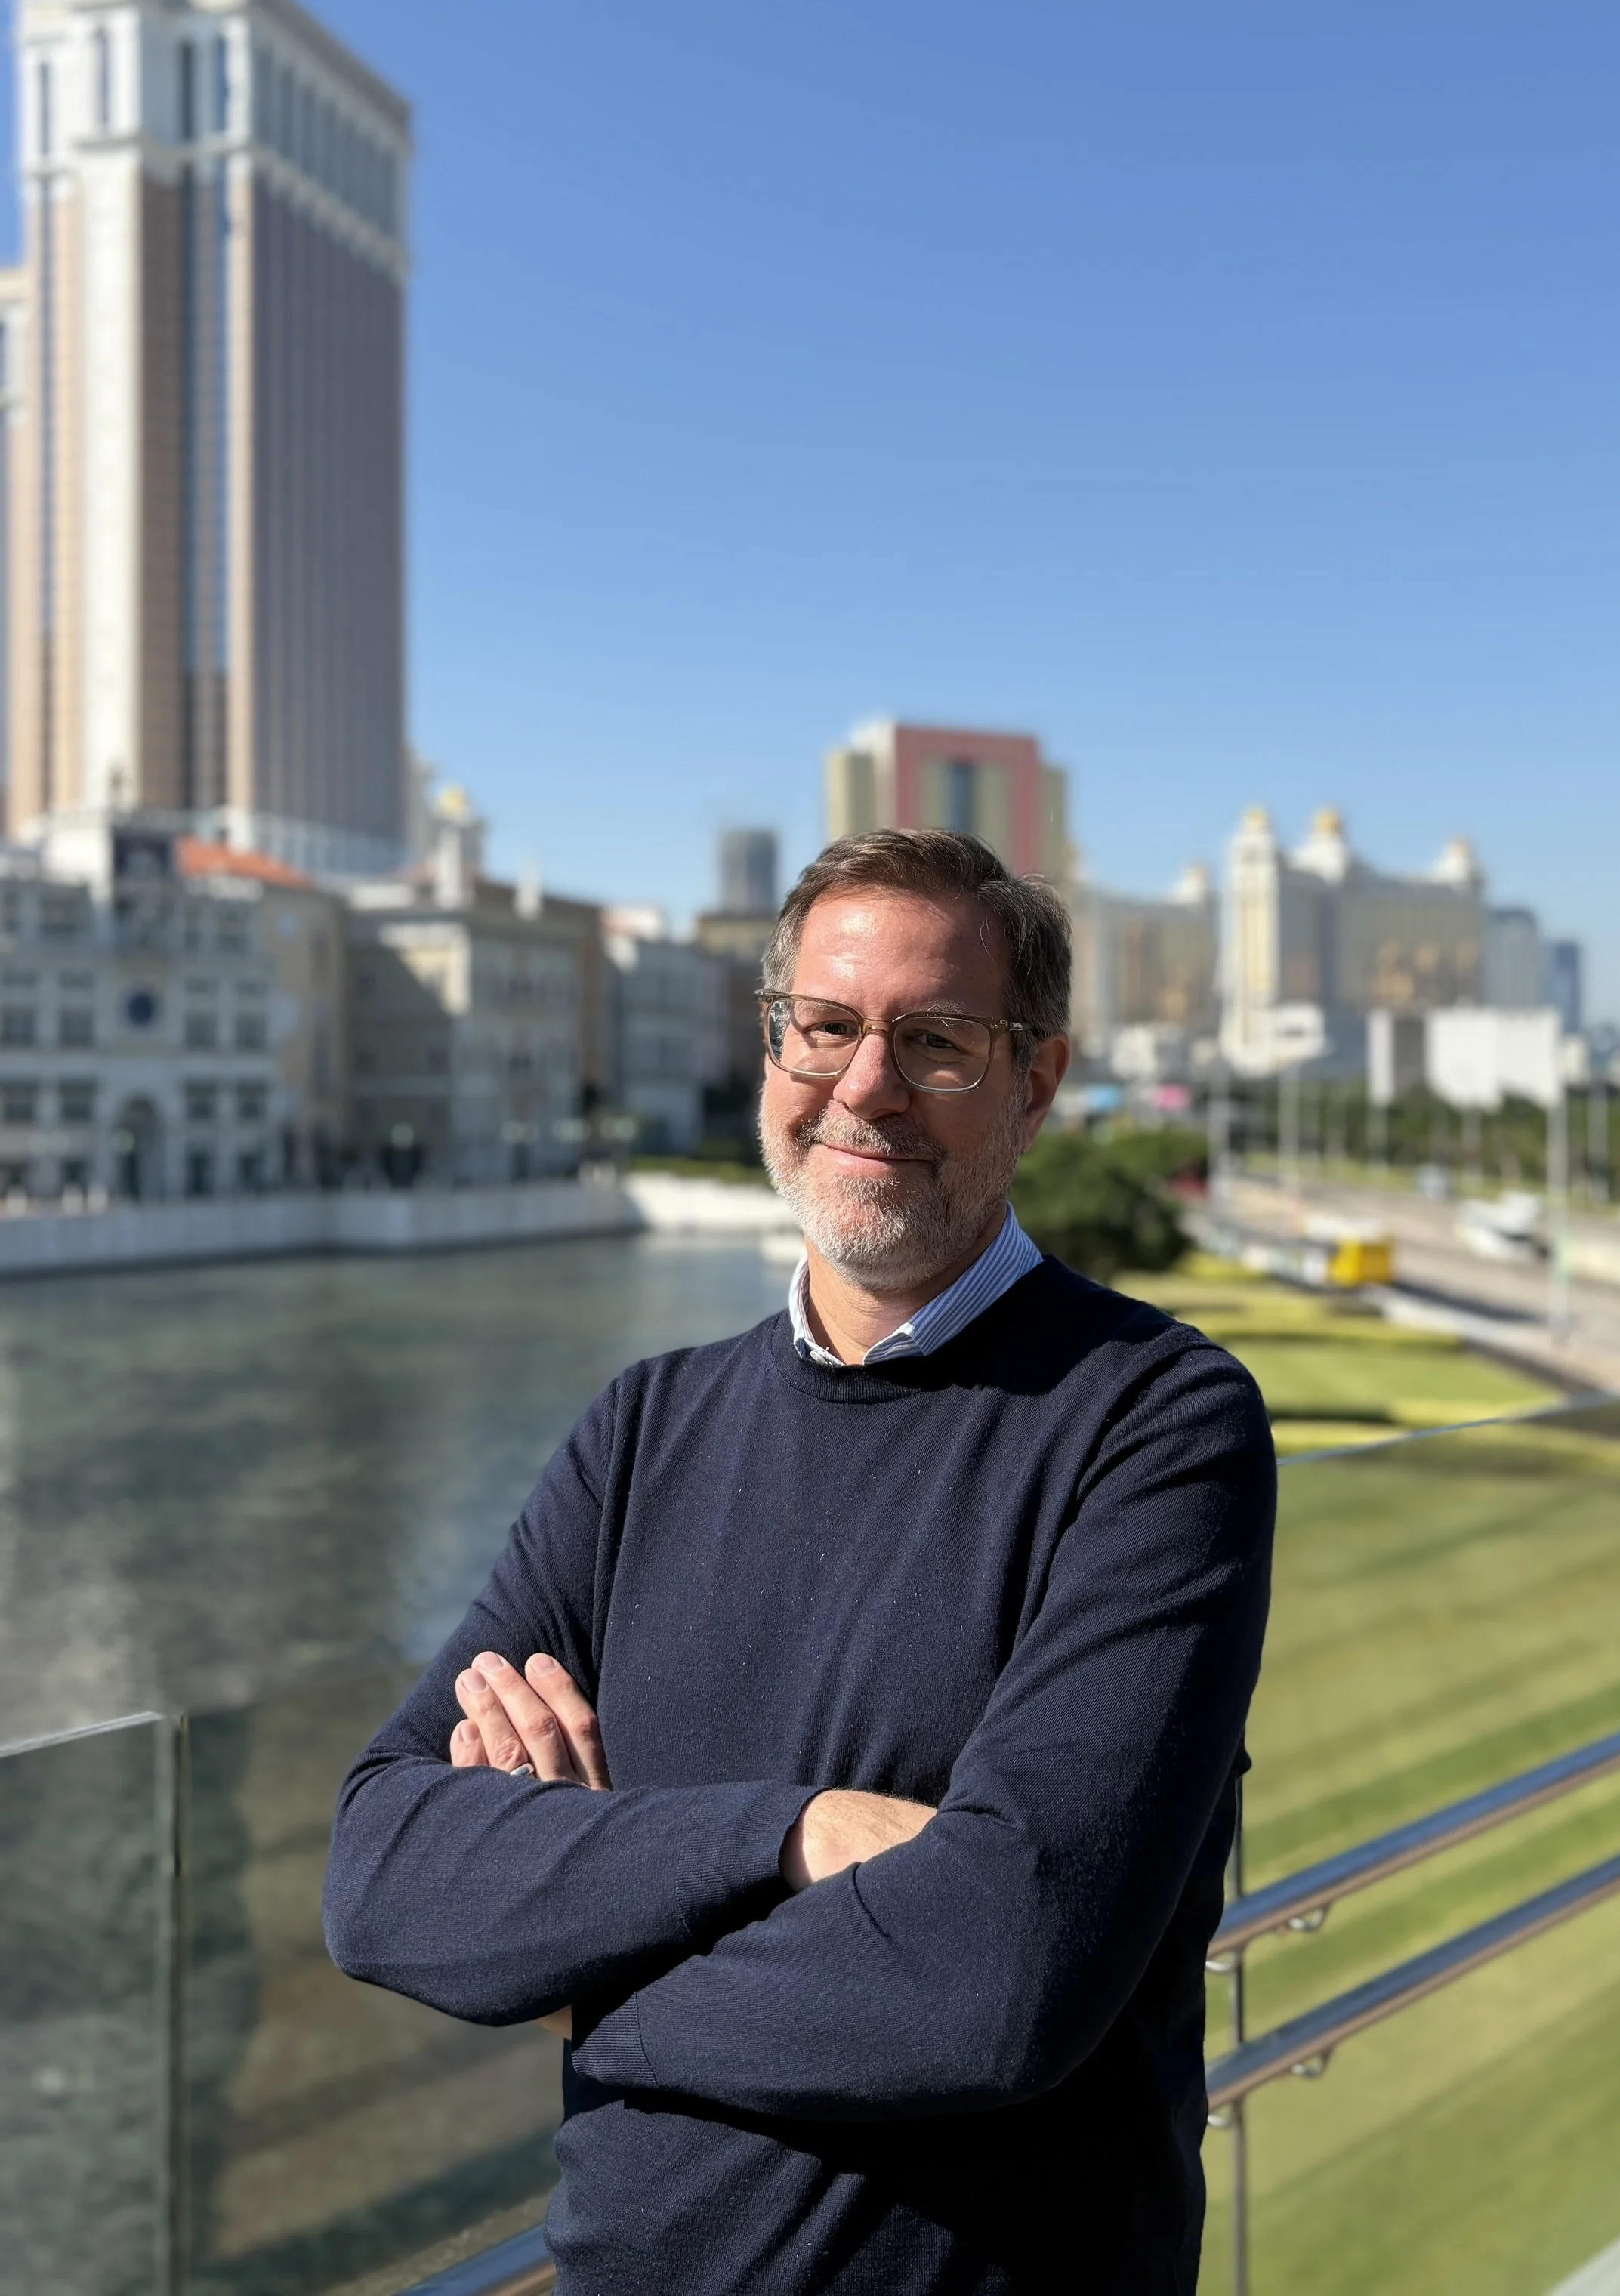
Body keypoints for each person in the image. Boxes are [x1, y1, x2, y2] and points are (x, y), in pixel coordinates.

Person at [324, 829, 1276, 2295]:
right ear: (773, 1043)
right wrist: (791, 1836)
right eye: (821, 1027)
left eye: (934, 1039)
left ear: (1033, 1079)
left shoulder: (1156, 1425)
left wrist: (582, 1965)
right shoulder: (643, 1428)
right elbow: (384, 1873)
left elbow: (996, 1981)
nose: (863, 1084)